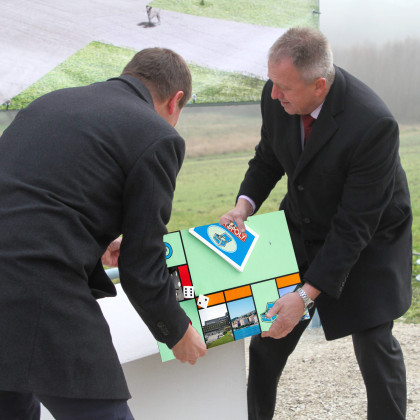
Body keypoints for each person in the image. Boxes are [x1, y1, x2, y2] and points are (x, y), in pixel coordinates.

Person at [0, 47, 206, 420]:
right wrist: (177, 330)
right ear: (175, 100)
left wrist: (92, 241)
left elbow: (32, 199)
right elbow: (142, 264)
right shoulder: (158, 135)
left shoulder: (49, 103)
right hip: (41, 291)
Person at [220, 27, 412, 420]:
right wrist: (243, 206)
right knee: (269, 336)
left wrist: (306, 296)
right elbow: (269, 155)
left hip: (369, 235)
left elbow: (353, 226)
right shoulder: (279, 92)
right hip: (303, 221)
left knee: (373, 341)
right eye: (272, 83)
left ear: (319, 85)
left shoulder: (373, 124)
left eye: (284, 88)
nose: (274, 95)